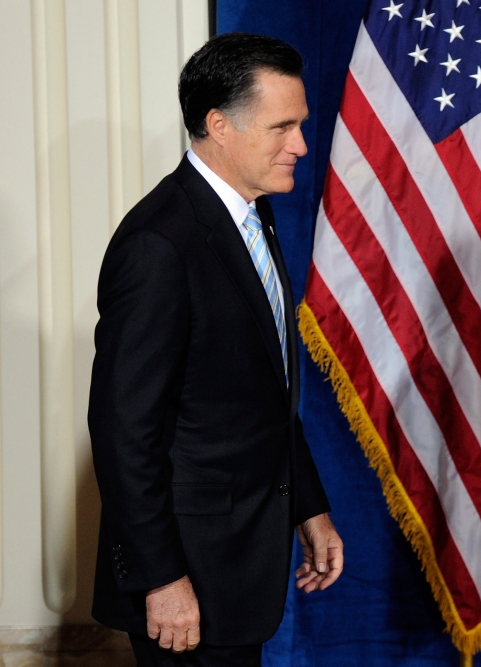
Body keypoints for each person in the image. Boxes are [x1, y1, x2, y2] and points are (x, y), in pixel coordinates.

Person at [88, 33, 342, 666]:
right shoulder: (159, 244)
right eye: (282, 127)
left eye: (301, 125)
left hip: (241, 564)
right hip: (187, 579)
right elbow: (123, 430)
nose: (301, 146)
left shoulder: (252, 215)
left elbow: (264, 391)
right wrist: (161, 579)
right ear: (219, 126)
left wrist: (308, 506)